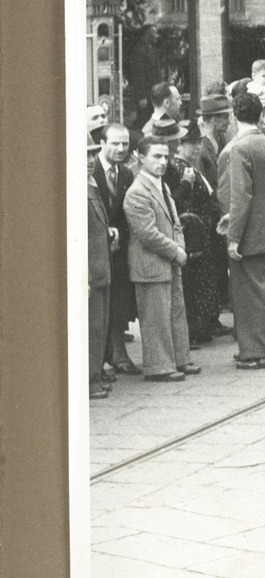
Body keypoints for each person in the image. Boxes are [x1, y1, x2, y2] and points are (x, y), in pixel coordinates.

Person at [124, 137, 201, 382]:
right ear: (141, 157)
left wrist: (180, 246)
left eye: (165, 157)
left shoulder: (162, 186)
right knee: (156, 316)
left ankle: (180, 358)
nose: (163, 162)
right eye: (156, 157)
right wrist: (175, 250)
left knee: (175, 311)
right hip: (151, 262)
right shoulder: (137, 192)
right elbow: (147, 233)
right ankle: (159, 366)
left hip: (168, 259)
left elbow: (175, 221)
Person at [218, 92, 265, 369]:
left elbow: (240, 196)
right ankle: (253, 348)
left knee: (249, 295)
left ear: (234, 114)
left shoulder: (239, 148)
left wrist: (233, 236)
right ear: (259, 115)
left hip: (248, 233)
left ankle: (262, 352)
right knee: (258, 292)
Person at [93, 122, 139, 375]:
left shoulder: (127, 174)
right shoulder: (92, 169)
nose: (121, 148)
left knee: (120, 301)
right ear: (102, 143)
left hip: (118, 249)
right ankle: (99, 359)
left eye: (125, 144)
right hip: (97, 248)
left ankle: (118, 351)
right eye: (115, 143)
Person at [86, 138, 115, 399]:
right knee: (92, 328)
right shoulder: (77, 190)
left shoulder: (93, 185)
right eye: (85, 156)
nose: (90, 161)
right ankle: (90, 380)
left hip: (101, 268)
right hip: (90, 273)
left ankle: (95, 376)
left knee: (100, 327)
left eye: (93, 155)